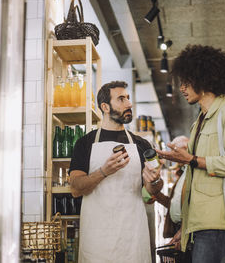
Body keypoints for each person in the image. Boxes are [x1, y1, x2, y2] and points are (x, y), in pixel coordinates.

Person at [157, 45, 225, 263]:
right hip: (199, 225)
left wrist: (191, 159)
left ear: (204, 78)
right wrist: (186, 229)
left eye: (186, 82)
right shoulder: (197, 123)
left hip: (217, 223)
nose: (181, 88)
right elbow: (193, 183)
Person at [69, 81, 163, 263]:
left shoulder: (142, 144)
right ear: (105, 107)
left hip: (133, 236)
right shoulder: (85, 143)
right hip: (97, 238)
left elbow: (153, 191)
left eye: (128, 98)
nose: (129, 104)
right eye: (121, 99)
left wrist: (154, 180)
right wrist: (103, 171)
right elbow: (75, 189)